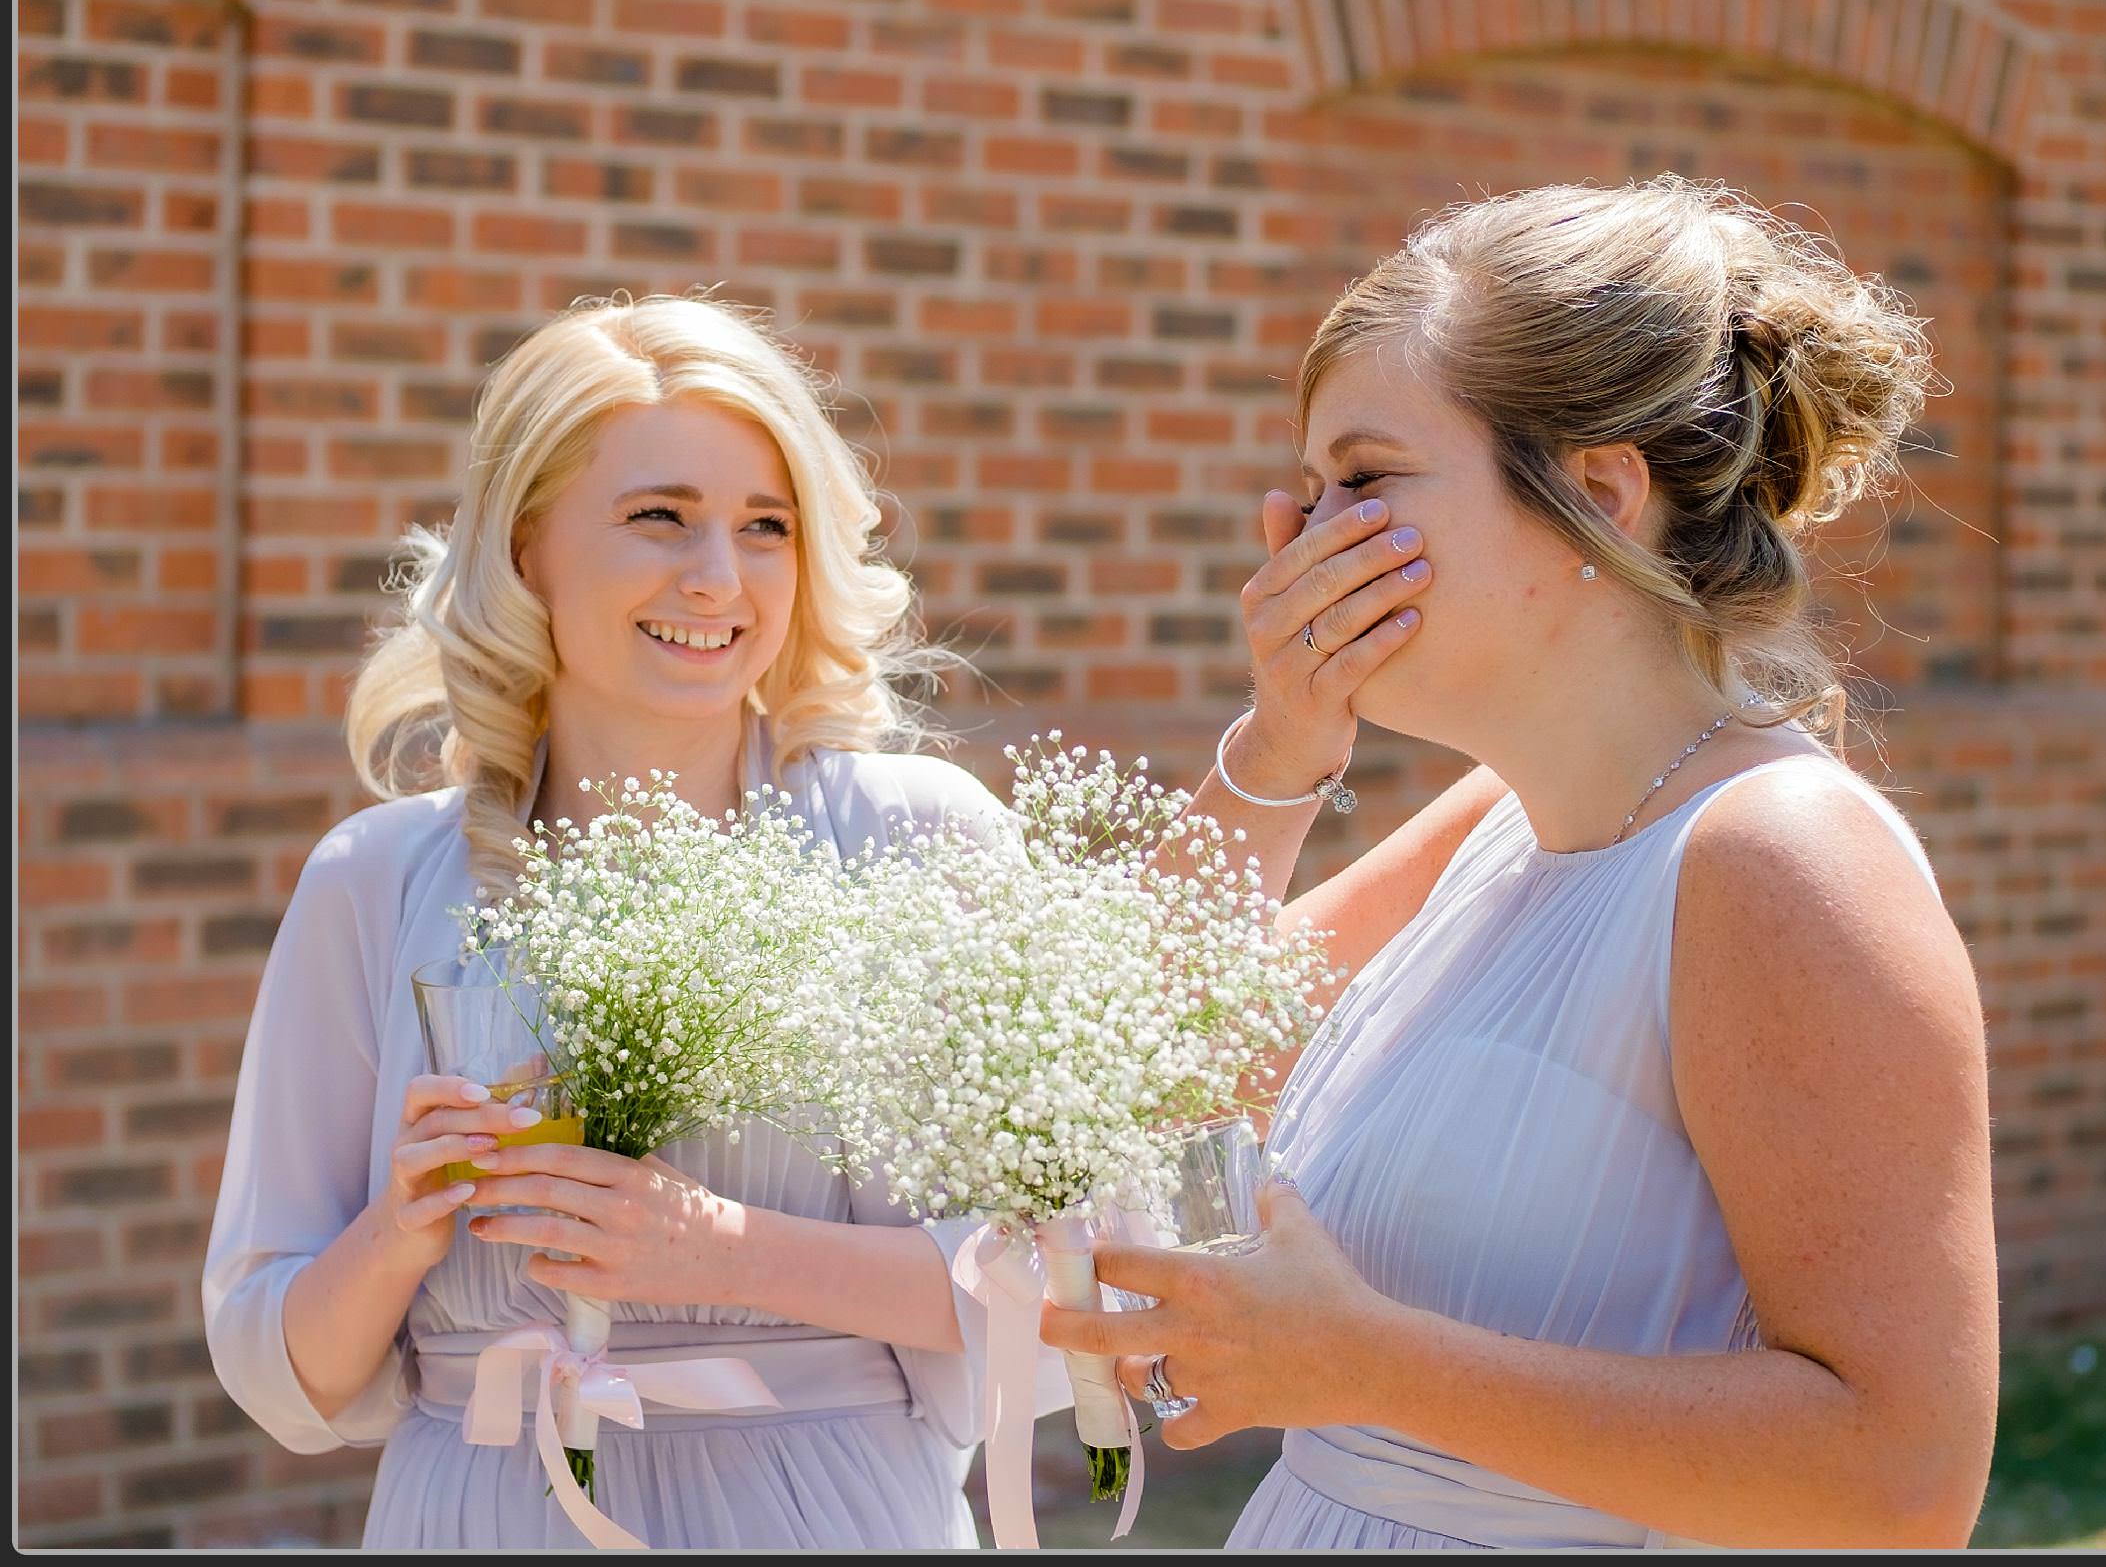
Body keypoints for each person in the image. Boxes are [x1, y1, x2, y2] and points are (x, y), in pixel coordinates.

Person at [1043, 177, 1999, 1548]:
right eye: (1310, 494)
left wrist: (1357, 1362)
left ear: (1597, 499)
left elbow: (1901, 1482)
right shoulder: (1498, 822)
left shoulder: (1780, 862)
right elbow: (1122, 1059)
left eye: (1366, 483)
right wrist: (1282, 738)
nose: (1306, 546)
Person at [202, 293, 1059, 1548]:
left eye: (765, 527)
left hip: (825, 1516)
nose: (716, 577)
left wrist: (716, 1247)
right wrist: (403, 1228)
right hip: (482, 1515)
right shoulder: (372, 878)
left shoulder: (919, 840)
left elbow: (1056, 1280)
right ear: (526, 544)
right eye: (660, 515)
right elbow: (285, 1373)